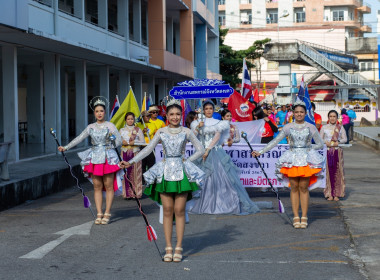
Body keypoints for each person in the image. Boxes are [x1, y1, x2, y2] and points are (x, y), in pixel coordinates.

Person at [119, 99, 205, 263]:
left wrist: (187, 161)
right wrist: (130, 162)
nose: (174, 117)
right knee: (167, 210)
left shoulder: (187, 131)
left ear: (181, 115)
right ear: (167, 115)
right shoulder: (161, 131)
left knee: (179, 210)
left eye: (178, 114)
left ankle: (178, 247)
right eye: (171, 114)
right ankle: (168, 247)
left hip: (181, 172)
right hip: (165, 172)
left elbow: (200, 149)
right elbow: (148, 149)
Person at [189, 100, 272, 215]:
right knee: (204, 179)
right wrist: (198, 127)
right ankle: (205, 203)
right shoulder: (197, 123)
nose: (208, 111)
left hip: (215, 152)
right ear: (203, 110)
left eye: (210, 108)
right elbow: (193, 136)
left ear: (213, 110)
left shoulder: (218, 122)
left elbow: (217, 136)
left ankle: (222, 203)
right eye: (206, 109)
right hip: (201, 153)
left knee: (222, 179)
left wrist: (208, 150)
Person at [251, 100, 324, 229]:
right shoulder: (288, 127)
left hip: (306, 158)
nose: (299, 114)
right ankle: (296, 216)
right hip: (292, 159)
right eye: (297, 112)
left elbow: (320, 144)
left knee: (303, 187)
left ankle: (304, 216)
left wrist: (307, 146)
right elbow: (275, 141)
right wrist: (260, 152)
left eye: (301, 112)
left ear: (305, 113)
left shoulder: (310, 127)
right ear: (293, 113)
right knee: (294, 187)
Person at [58, 97, 122, 225]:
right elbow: (79, 138)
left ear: (105, 112)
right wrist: (66, 147)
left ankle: (107, 212)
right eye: (97, 111)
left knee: (109, 186)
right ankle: (99, 213)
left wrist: (113, 139)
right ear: (94, 112)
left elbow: (119, 141)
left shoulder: (110, 125)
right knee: (97, 186)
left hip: (108, 157)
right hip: (94, 158)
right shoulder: (90, 127)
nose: (99, 113)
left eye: (102, 111)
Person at [320, 110, 347, 201]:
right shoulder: (324, 127)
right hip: (327, 152)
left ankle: (337, 194)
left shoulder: (340, 127)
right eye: (330, 116)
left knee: (337, 172)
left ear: (336, 118)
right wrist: (325, 142)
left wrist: (338, 142)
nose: (332, 118)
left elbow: (345, 139)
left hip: (337, 151)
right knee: (328, 172)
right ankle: (329, 193)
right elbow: (319, 139)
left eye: (334, 116)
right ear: (328, 118)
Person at [119, 112, 146, 199]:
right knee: (126, 173)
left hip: (135, 153)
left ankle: (136, 193)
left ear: (134, 120)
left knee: (135, 173)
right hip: (125, 153)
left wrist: (135, 142)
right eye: (128, 119)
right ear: (125, 120)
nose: (130, 120)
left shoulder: (138, 130)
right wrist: (121, 142)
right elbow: (116, 142)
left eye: (132, 119)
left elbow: (143, 142)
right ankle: (126, 194)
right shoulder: (121, 130)